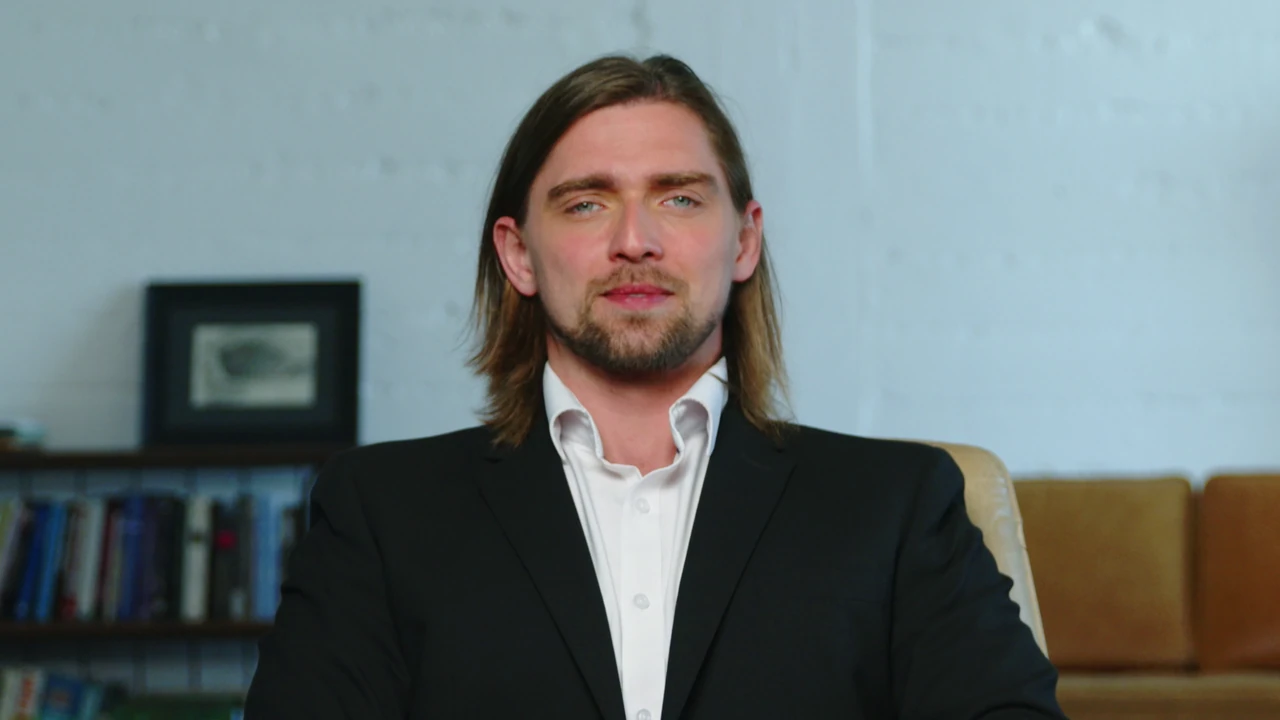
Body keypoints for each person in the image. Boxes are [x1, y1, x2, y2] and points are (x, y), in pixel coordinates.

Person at [244, 53, 1066, 720]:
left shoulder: (897, 504)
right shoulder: (381, 512)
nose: (635, 241)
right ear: (519, 255)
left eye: (678, 198)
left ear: (743, 242)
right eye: (586, 204)